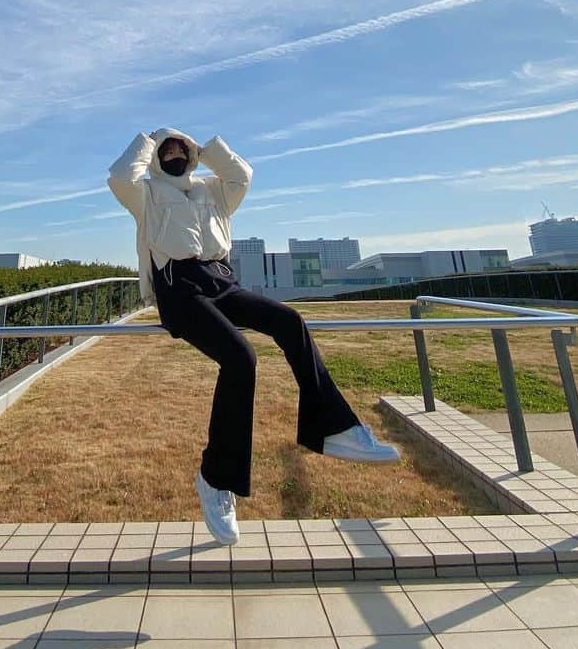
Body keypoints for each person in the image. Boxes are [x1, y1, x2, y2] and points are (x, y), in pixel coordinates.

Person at [107, 127, 400, 545]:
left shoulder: (212, 191)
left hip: (222, 281)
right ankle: (215, 480)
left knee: (290, 321)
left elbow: (242, 174)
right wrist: (147, 139)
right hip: (179, 288)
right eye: (165, 150)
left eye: (180, 148)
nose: (173, 153)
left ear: (190, 154)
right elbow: (118, 178)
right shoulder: (147, 193)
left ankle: (333, 429)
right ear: (155, 156)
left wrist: (207, 151)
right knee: (240, 358)